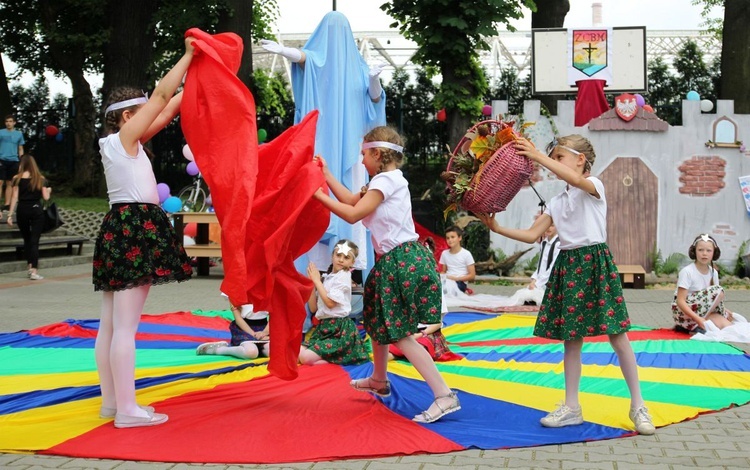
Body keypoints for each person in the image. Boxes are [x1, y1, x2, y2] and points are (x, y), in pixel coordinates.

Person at [477, 134, 655, 435]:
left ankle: (638, 405)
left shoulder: (594, 186)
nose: (553, 164)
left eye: (559, 157)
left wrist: (536, 156)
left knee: (618, 336)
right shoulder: (558, 202)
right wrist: (497, 227)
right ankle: (572, 407)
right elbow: (533, 235)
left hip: (595, 262)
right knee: (571, 340)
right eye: (554, 158)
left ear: (580, 160)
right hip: (569, 265)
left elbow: (573, 178)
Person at [313, 126, 460, 424]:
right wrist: (326, 177)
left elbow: (352, 214)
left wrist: (317, 196)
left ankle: (444, 395)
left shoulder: (385, 180)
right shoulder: (383, 181)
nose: (362, 159)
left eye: (364, 154)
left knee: (401, 333)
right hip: (392, 260)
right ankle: (379, 379)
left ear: (378, 154)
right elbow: (352, 201)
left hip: (401, 260)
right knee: (378, 319)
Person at [92, 37, 195, 429]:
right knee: (126, 328)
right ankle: (128, 411)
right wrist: (186, 57)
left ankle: (111, 402)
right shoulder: (123, 140)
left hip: (120, 226)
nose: (146, 118)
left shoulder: (117, 144)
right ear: (124, 117)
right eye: (139, 112)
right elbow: (163, 94)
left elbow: (167, 106)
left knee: (111, 323)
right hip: (135, 227)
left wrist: (193, 80)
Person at [260, 11, 386, 275]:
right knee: (317, 208)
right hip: (321, 151)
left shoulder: (361, 68)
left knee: (350, 205)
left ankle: (349, 273)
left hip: (353, 153)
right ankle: (313, 276)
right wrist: (284, 50)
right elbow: (305, 58)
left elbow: (375, 100)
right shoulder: (318, 63)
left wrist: (374, 80)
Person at [299, 239, 369, 366]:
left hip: (339, 330)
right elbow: (313, 308)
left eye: (346, 257)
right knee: (298, 353)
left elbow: (330, 303)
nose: (341, 260)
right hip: (324, 328)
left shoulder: (344, 276)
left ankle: (336, 361)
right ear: (332, 256)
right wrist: (311, 283)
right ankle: (327, 360)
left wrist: (317, 281)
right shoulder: (328, 278)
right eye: (338, 255)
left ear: (352, 262)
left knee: (306, 358)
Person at [671, 234, 734, 334]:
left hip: (702, 312)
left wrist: (725, 310)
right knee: (718, 291)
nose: (704, 254)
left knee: (728, 326)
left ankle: (697, 326)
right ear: (694, 252)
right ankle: (694, 325)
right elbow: (680, 301)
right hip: (684, 313)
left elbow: (712, 299)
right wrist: (699, 320)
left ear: (714, 253)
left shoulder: (714, 273)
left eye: (708, 250)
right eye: (700, 250)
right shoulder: (687, 271)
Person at [6, 155, 51, 280]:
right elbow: (46, 197)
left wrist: (10, 214)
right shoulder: (40, 179)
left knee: (27, 239)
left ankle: (29, 265)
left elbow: (14, 197)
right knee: (34, 240)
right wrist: (49, 190)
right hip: (36, 209)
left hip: (22, 209)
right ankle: (34, 270)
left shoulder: (17, 178)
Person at [197, 298, 270, 359]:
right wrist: (253, 334)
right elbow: (238, 319)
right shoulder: (235, 288)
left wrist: (264, 332)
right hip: (244, 329)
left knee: (271, 352)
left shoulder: (271, 287)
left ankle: (257, 348)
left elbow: (276, 316)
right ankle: (220, 349)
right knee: (251, 352)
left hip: (264, 328)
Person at [511, 223, 561, 306]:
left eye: (552, 226)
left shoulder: (558, 244)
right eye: (546, 225)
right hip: (540, 281)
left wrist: (537, 283)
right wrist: (534, 279)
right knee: (521, 297)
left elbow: (552, 268)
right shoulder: (544, 243)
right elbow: (541, 265)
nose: (548, 228)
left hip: (550, 281)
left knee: (534, 297)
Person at [439, 226, 476, 293]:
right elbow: (443, 271)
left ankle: (465, 290)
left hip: (460, 282)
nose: (450, 240)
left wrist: (456, 278)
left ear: (459, 238)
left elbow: (472, 275)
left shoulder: (466, 254)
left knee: (447, 290)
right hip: (447, 280)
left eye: (452, 237)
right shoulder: (444, 253)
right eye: (448, 238)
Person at [0, 114, 25, 211]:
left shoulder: (19, 134)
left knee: (10, 183)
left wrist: (21, 161)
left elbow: (20, 148)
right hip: (2, 159)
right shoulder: (1, 132)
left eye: (10, 121)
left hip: (14, 160)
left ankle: (7, 204)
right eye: (7, 121)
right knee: (0, 182)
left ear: (14, 123)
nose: (8, 123)